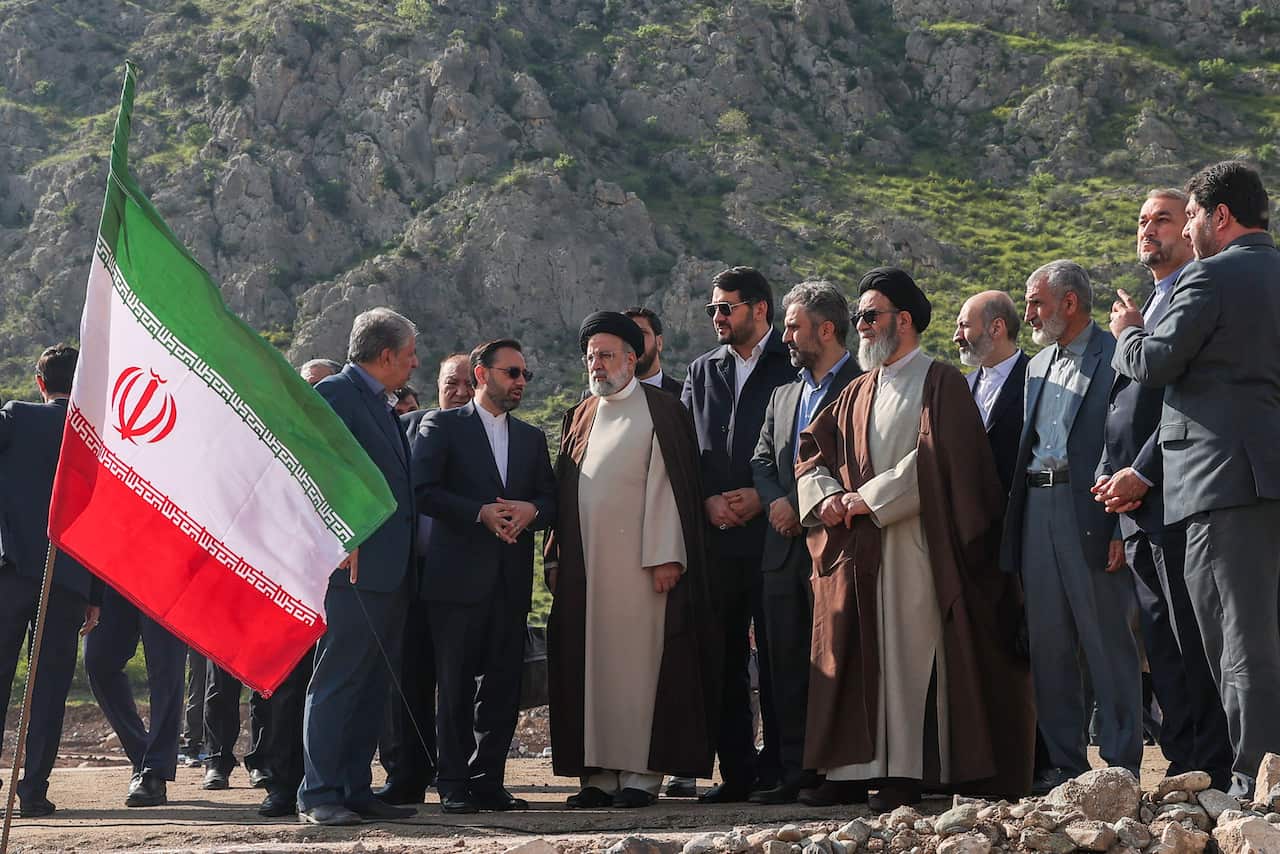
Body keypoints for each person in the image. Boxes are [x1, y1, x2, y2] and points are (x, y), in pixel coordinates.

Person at [796, 268, 1033, 810]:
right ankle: (853, 769)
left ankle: (903, 770)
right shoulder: (855, 388)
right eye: (858, 317)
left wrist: (868, 499)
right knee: (854, 654)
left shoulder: (941, 381)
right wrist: (828, 495)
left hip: (914, 548)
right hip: (859, 548)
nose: (860, 326)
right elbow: (813, 452)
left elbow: (936, 461)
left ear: (903, 320)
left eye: (870, 316)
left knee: (905, 657)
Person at [1109, 161, 1280, 798]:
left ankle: (1253, 777)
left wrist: (1129, 333)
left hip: (1218, 482)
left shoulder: (1210, 276)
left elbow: (1155, 363)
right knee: (1259, 630)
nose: (1188, 228)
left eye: (1192, 217)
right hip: (1264, 478)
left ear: (1219, 216)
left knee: (1234, 640)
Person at [544, 312, 717, 808]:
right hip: (587, 571)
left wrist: (666, 556)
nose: (597, 364)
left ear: (631, 358)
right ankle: (598, 775)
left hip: (644, 571)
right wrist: (555, 556)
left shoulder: (662, 409)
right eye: (591, 355)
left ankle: (642, 775)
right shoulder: (580, 414)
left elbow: (671, 486)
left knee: (641, 672)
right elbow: (566, 487)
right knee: (591, 670)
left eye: (607, 355)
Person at [1092, 188, 1234, 789]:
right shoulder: (1148, 304)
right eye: (1142, 221)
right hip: (1134, 509)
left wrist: (1142, 472)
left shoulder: (1198, 296)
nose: (1149, 230)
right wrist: (1110, 479)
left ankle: (1215, 767)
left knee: (1194, 639)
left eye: (1164, 220)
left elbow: (1179, 406)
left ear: (1194, 226)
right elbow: (1122, 408)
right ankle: (1182, 763)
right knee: (1160, 642)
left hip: (1178, 496)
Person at [999, 260, 1141, 793]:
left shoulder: (1115, 357)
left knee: (1106, 637)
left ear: (1069, 303)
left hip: (1093, 509)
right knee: (1049, 641)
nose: (1029, 312)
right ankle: (1063, 764)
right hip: (1038, 509)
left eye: (1036, 302)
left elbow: (1125, 437)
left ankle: (1123, 761)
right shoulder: (1035, 367)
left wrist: (1117, 529)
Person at [412, 339, 557, 814]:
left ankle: (489, 780)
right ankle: (452, 781)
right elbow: (423, 492)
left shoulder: (533, 438)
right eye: (511, 372)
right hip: (454, 584)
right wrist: (479, 513)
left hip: (511, 584)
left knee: (501, 688)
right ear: (481, 374)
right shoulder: (441, 425)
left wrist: (529, 509)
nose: (520, 382)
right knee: (453, 687)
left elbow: (552, 501)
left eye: (523, 375)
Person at [297, 308, 420, 826]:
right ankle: (319, 792)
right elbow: (308, 467)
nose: (416, 364)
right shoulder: (335, 395)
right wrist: (337, 532)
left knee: (372, 682)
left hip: (388, 569)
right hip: (352, 567)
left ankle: (354, 787)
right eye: (411, 354)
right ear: (386, 354)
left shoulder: (381, 404)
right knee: (338, 678)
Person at [682, 266, 793, 802]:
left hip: (776, 535)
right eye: (713, 309)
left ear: (759, 310)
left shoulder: (791, 365)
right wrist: (706, 498)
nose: (717, 318)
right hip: (717, 540)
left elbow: (806, 442)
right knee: (723, 658)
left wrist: (761, 494)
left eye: (725, 308)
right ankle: (738, 773)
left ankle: (780, 769)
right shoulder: (702, 371)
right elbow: (687, 449)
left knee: (777, 655)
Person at [749, 281, 861, 806]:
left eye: (794, 326)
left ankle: (836, 768)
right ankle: (793, 768)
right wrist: (776, 501)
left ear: (827, 329)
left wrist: (801, 503)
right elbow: (762, 458)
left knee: (838, 659)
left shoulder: (864, 387)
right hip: (781, 551)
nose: (786, 336)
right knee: (786, 661)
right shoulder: (783, 394)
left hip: (837, 546)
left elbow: (857, 462)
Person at [0, 345, 101, 817]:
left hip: (11, 572)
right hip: (68, 578)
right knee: (49, 686)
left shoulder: (15, 417)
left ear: (40, 383)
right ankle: (34, 792)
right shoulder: (96, 438)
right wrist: (94, 593)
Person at [375, 353, 474, 806]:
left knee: (456, 684)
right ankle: (406, 776)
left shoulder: (487, 437)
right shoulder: (408, 428)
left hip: (460, 581)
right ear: (437, 384)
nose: (461, 391)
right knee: (406, 682)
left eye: (470, 383)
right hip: (410, 577)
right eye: (452, 382)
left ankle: (457, 777)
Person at [245, 357, 338, 818]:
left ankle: (325, 782)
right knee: (282, 691)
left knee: (328, 689)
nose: (315, 396)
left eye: (325, 387)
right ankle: (281, 784)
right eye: (308, 388)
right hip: (283, 582)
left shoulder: (345, 449)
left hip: (338, 587)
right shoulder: (271, 439)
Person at [954, 291, 1028, 495]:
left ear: (997, 328)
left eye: (964, 326)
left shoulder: (1037, 380)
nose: (956, 337)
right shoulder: (962, 387)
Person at [625, 306, 684, 395]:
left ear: (659, 343)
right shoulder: (606, 398)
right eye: (627, 335)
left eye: (642, 333)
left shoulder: (686, 394)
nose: (634, 340)